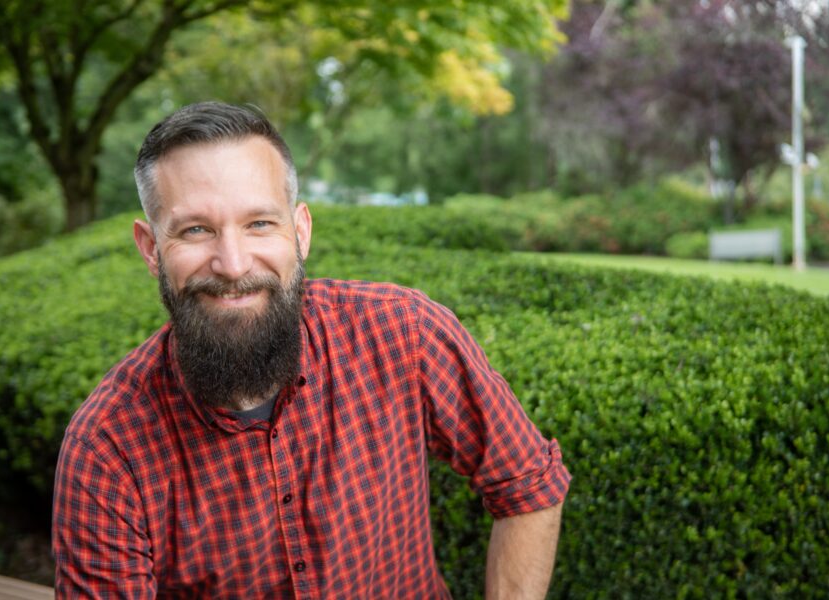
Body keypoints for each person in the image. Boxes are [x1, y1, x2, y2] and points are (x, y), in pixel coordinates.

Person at [52, 101, 570, 599]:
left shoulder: (403, 335)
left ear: (300, 232)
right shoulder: (107, 448)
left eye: (259, 223)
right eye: (195, 230)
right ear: (150, 249)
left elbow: (528, 484)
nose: (233, 264)